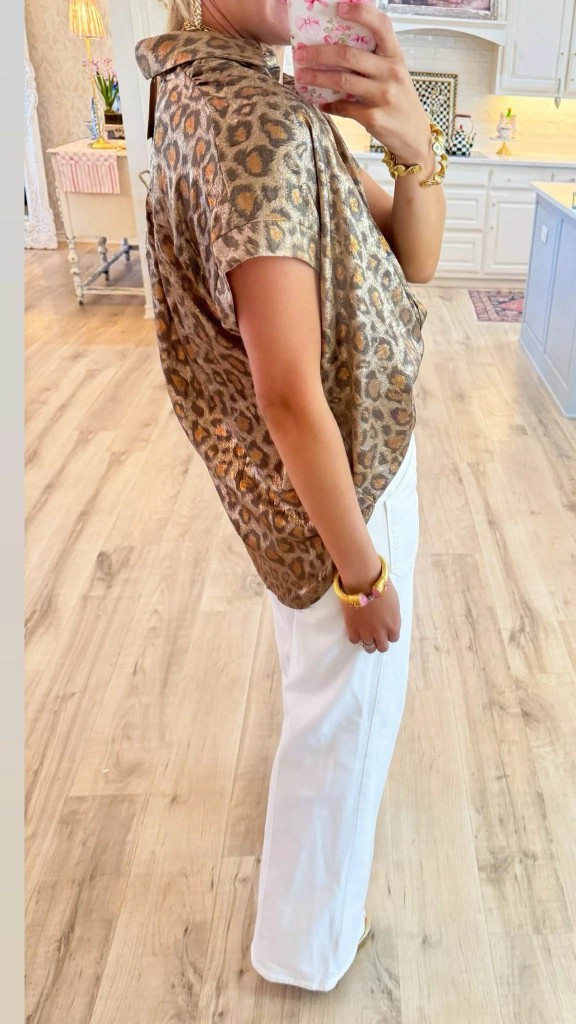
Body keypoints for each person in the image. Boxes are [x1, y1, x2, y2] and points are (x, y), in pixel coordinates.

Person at [136, 0, 446, 993]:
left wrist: (417, 143)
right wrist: (363, 573)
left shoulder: (211, 91)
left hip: (300, 491)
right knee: (347, 729)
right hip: (344, 486)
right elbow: (287, 391)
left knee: (325, 705)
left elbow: (413, 254)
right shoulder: (255, 119)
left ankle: (307, 930)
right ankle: (308, 949)